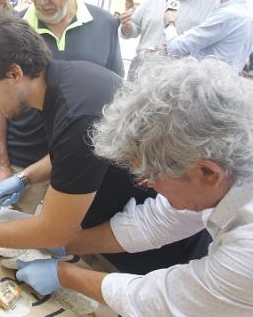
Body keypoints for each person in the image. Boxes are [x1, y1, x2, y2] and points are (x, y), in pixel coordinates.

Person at [0, 11, 210, 275]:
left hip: (149, 250)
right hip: (117, 228)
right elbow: (78, 151)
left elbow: (54, 231)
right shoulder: (68, 81)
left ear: (15, 74)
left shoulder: (77, 114)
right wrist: (26, 178)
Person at [14, 56, 253, 316]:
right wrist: (64, 244)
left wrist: (64, 273)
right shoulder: (223, 177)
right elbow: (157, 220)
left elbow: (164, 301)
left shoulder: (247, 247)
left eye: (152, 174)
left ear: (208, 172)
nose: (145, 183)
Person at [0, 0, 124, 214]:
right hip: (24, 162)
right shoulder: (12, 28)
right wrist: (1, 163)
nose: (40, 3)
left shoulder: (105, 23)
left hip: (84, 162)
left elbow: (116, 96)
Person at [120, 0, 217, 80]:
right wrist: (127, 27)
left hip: (177, 80)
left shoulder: (212, 3)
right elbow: (134, 29)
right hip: (141, 70)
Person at [165, 0, 253, 75]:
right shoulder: (246, 16)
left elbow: (175, 47)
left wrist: (170, 22)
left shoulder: (228, 15)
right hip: (225, 86)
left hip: (207, 87)